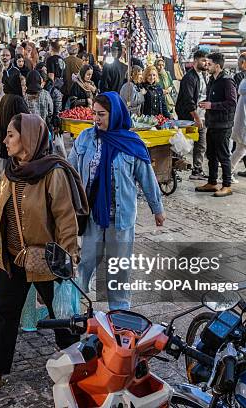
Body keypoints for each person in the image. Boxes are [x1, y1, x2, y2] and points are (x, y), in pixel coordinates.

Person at [0, 113, 88, 389]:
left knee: (62, 319)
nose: (5, 140)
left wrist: (67, 260)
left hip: (46, 260)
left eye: (11, 135)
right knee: (6, 313)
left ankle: (78, 371)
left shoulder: (52, 173)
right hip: (14, 257)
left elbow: (67, 220)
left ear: (28, 138)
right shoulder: (12, 170)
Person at [68, 93, 165, 310]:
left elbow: (147, 177)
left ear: (115, 114)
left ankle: (119, 312)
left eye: (101, 114)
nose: (96, 119)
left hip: (121, 219)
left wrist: (157, 209)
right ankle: (72, 304)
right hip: (92, 215)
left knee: (119, 268)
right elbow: (69, 171)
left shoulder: (132, 143)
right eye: (94, 113)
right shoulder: (85, 138)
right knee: (85, 261)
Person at [195, 52, 237, 198]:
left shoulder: (227, 81)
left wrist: (212, 105)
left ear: (217, 66)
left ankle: (227, 185)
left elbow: (232, 103)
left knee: (224, 155)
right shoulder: (212, 80)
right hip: (212, 123)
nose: (207, 65)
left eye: (210, 63)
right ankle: (212, 182)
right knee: (211, 155)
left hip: (223, 125)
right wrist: (206, 105)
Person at [176, 50, 208, 181]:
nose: (206, 63)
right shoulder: (189, 78)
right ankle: (174, 168)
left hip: (201, 117)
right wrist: (196, 117)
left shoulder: (203, 76)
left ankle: (197, 170)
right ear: (195, 61)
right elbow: (188, 101)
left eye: (207, 61)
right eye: (203, 60)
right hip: (189, 119)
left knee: (201, 144)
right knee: (182, 144)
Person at [0, 71, 30, 160]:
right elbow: (27, 119)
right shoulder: (17, 99)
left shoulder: (5, 97)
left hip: (7, 137)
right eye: (23, 85)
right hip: (16, 139)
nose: (25, 88)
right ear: (17, 86)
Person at [232, 52, 246, 179]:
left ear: (243, 62)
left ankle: (231, 169)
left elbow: (235, 96)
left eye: (239, 62)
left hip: (241, 113)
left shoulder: (239, 76)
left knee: (240, 141)